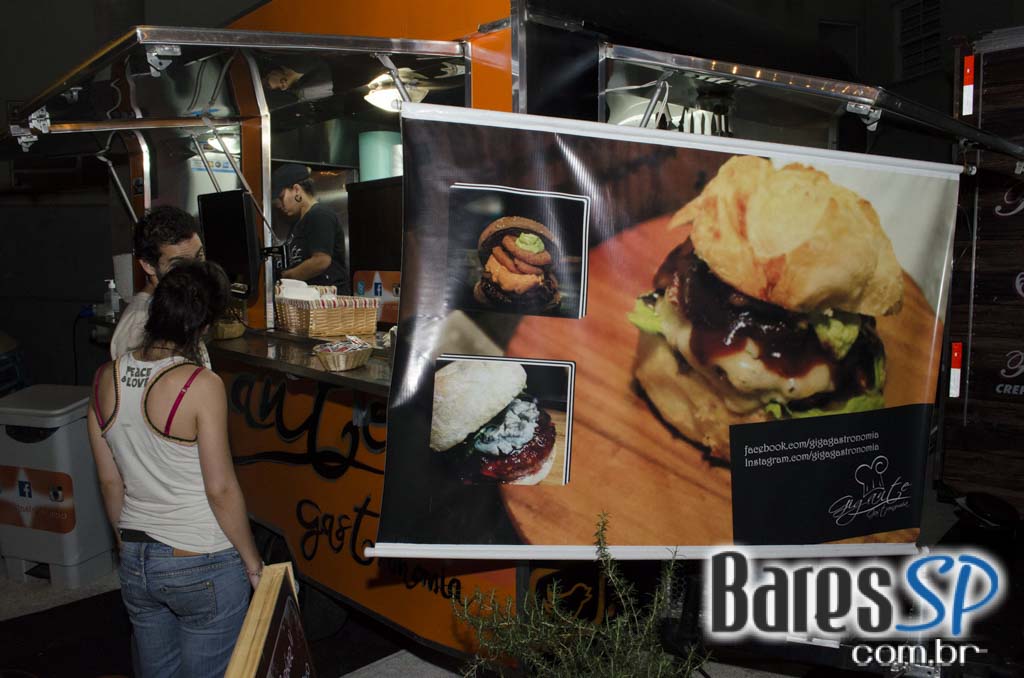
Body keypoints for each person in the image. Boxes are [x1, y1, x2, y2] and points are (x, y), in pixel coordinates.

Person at [87, 260, 262, 677]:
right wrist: (253, 563)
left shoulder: (104, 379)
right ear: (203, 327)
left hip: (136, 558)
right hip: (202, 557)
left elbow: (110, 481)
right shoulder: (200, 384)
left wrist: (126, 546)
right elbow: (220, 489)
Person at [111, 205, 210, 367]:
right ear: (148, 265)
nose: (196, 271)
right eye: (179, 263)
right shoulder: (139, 326)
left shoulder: (174, 308)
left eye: (199, 256)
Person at [273, 163, 351, 294]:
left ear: (297, 190)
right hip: (310, 298)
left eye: (281, 197)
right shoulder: (297, 223)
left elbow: (321, 261)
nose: (279, 204)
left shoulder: (320, 215)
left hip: (326, 300)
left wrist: (286, 277)